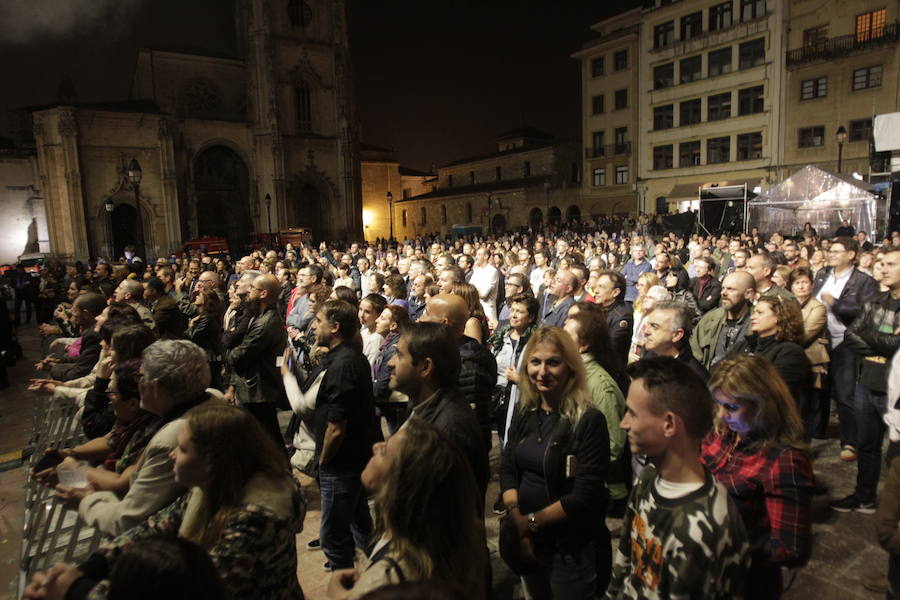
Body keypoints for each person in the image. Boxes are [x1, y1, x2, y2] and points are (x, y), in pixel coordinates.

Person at [32, 404, 305, 600]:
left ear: (214, 461)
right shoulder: (207, 489)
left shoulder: (257, 519)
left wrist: (78, 590)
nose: (172, 455)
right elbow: (155, 528)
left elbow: (198, 590)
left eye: (183, 449)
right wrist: (95, 564)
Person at [608, 356, 750, 600]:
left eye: (632, 414)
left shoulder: (700, 531)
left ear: (669, 424)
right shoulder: (649, 477)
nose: (623, 424)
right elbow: (626, 561)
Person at [56, 340, 215, 537]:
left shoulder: (172, 438)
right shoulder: (208, 400)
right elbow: (111, 439)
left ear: (155, 387)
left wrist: (85, 498)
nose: (138, 382)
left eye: (140, 376)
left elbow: (127, 519)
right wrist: (70, 456)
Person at [500, 326, 612, 599]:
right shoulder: (526, 410)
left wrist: (529, 524)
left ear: (571, 368)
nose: (542, 372)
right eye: (535, 362)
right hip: (526, 541)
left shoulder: (588, 420)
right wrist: (518, 521)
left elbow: (584, 496)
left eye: (553, 362)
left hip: (567, 547)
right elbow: (507, 469)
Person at [327, 418, 487, 599]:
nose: (376, 446)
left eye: (384, 451)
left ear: (399, 486)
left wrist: (342, 596)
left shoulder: (385, 580)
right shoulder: (436, 546)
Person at [702, 355, 814, 599]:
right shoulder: (724, 433)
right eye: (718, 404)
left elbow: (790, 548)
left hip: (745, 582)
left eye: (731, 407)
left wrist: (724, 544)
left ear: (762, 405)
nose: (721, 414)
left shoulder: (784, 460)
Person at [311, 299, 378, 572]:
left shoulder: (343, 364)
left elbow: (337, 427)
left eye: (319, 321)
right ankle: (375, 575)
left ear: (335, 327)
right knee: (359, 521)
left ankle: (345, 582)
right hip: (352, 458)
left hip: (342, 462)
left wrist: (323, 462)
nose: (314, 327)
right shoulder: (347, 358)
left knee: (334, 536)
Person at [831, 248, 900, 513]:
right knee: (867, 445)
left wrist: (872, 337)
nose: (882, 268)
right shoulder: (876, 301)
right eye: (881, 263)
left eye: (891, 264)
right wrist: (883, 343)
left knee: (895, 454)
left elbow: (897, 344)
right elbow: (850, 336)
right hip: (867, 382)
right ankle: (865, 496)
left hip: (894, 390)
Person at [387, 322, 489, 498]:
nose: (390, 363)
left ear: (425, 367)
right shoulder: (422, 405)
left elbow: (439, 509)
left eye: (398, 355)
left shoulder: (449, 429)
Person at [813, 237, 878, 462]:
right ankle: (817, 430)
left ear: (851, 254)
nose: (831, 254)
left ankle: (849, 441)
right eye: (830, 250)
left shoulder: (863, 281)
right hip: (821, 338)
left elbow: (865, 312)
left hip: (846, 341)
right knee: (820, 388)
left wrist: (835, 304)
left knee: (844, 393)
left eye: (837, 251)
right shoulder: (822, 274)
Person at [564, 310, 629, 515]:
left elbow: (613, 446)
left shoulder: (600, 386)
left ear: (583, 346)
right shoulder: (573, 374)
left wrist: (575, 468)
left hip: (600, 491)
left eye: (566, 337)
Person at [419, 294, 497, 452]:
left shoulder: (469, 366)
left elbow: (472, 424)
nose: (420, 319)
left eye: (427, 313)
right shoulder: (440, 353)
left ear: (444, 323)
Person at [224, 274, 287, 444]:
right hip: (255, 387)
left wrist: (230, 352)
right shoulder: (259, 316)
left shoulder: (265, 323)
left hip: (259, 391)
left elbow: (240, 355)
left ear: (263, 294)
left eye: (252, 288)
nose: (249, 291)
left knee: (267, 438)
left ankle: (281, 470)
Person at [731, 295, 810, 404]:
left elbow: (770, 390)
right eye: (754, 312)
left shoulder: (791, 353)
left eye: (760, 313)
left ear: (778, 317)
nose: (752, 317)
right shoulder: (744, 345)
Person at [790, 267, 830, 439]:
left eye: (804, 282)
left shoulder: (818, 308)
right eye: (797, 283)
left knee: (808, 403)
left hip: (811, 359)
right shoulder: (789, 304)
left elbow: (804, 335)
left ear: (812, 285)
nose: (801, 286)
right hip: (792, 357)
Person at [690, 270, 756, 370]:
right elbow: (694, 356)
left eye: (730, 289)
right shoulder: (710, 319)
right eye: (723, 288)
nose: (723, 293)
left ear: (748, 294)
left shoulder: (758, 322)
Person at [641, 300, 708, 380]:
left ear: (677, 335)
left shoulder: (693, 377)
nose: (646, 331)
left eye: (654, 326)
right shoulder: (648, 358)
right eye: (648, 325)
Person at [372, 305, 412, 434]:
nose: (377, 320)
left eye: (382, 318)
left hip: (396, 407)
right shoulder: (388, 344)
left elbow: (383, 384)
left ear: (393, 326)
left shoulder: (395, 347)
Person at [592, 270, 633, 366]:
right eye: (597, 286)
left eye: (601, 287)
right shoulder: (597, 308)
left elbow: (609, 347)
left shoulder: (622, 316)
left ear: (615, 292)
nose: (596, 291)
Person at [186, 290, 225, 390]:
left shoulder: (207, 319)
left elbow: (192, 337)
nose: (196, 296)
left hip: (209, 360)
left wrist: (191, 325)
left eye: (199, 295)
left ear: (205, 300)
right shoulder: (203, 318)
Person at [470, 246, 500, 324]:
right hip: (476, 308)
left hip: (487, 310)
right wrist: (477, 289)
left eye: (479, 254)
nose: (476, 257)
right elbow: (469, 289)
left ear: (486, 256)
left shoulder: (492, 271)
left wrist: (475, 289)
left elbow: (483, 294)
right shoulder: (477, 270)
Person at [359, 294, 387, 367]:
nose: (361, 315)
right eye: (360, 309)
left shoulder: (377, 339)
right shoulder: (364, 332)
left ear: (379, 315)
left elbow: (370, 368)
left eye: (367, 312)